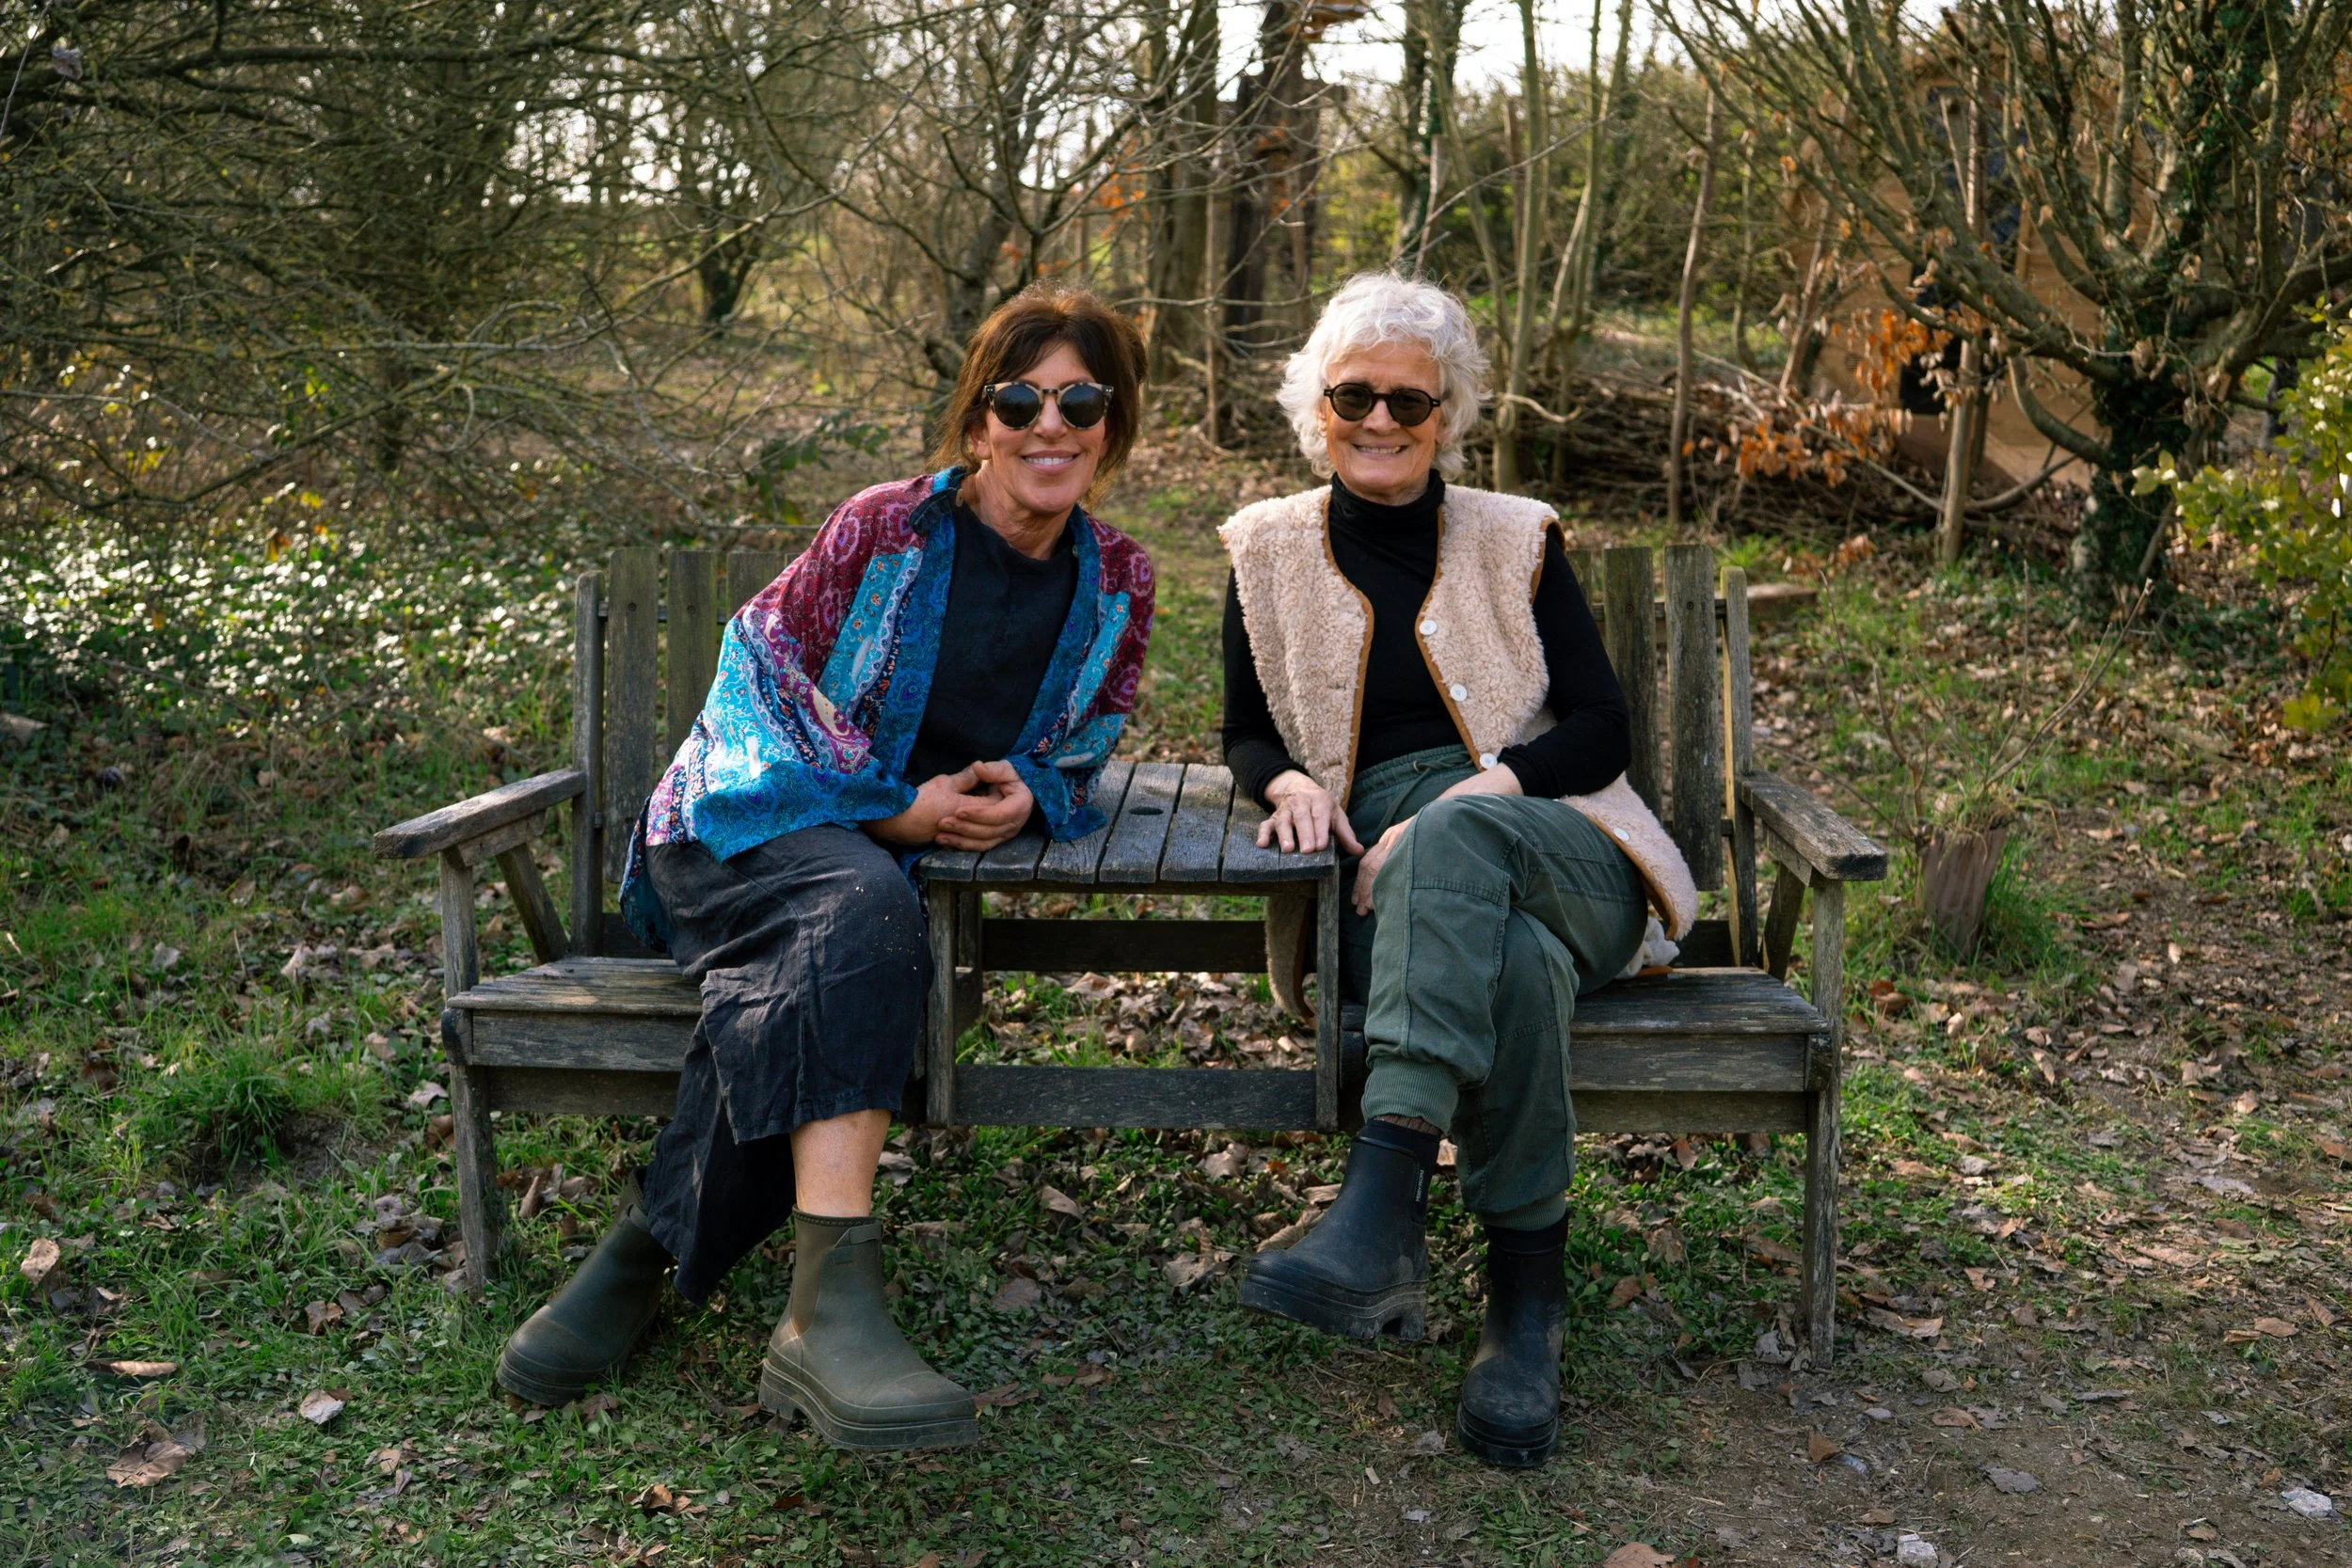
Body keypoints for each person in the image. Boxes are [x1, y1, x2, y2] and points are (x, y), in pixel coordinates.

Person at [494, 282, 1155, 1451]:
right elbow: (760, 673)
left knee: (846, 939)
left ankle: (640, 1253)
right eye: (1019, 398)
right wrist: (894, 807)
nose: (1048, 424)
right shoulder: (883, 528)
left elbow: (1092, 729)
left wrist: (1028, 789)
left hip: (861, 881)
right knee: (861, 909)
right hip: (743, 821)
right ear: (977, 418)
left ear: (1112, 421)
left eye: (1079, 399)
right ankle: (826, 1306)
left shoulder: (1120, 578)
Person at [1218, 271, 1696, 1468]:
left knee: (1468, 850)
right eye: (1354, 395)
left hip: (1558, 839)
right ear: (1315, 407)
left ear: (1449, 415)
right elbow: (1244, 729)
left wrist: (1484, 789)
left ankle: (1380, 1198)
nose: (1381, 419)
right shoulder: (1263, 548)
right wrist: (1283, 781)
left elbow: (1600, 727)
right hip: (1381, 877)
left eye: (1409, 402)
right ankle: (1522, 1316)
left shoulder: (1514, 535)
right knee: (1515, 972)